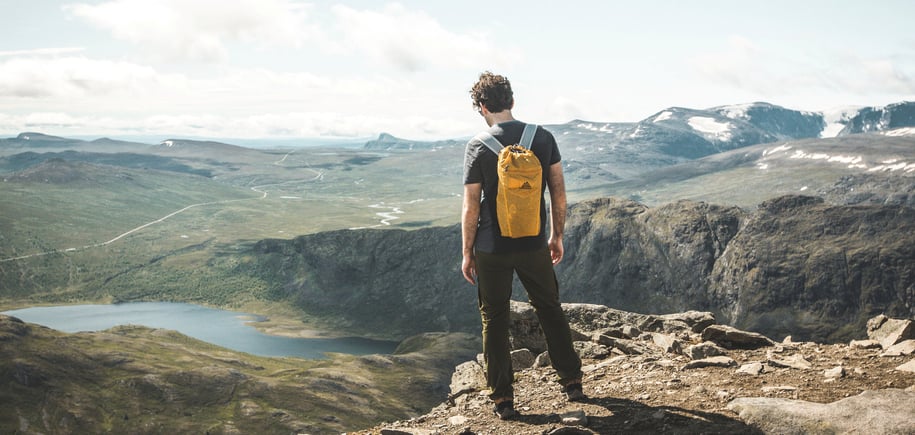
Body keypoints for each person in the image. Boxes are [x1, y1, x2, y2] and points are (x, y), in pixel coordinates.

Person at [461, 71, 584, 420]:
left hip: (491, 247)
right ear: (512, 101)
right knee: (549, 307)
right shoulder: (542, 138)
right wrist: (556, 235)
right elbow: (557, 191)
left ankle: (502, 400)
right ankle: (572, 381)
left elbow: (471, 206)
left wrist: (467, 251)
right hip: (533, 243)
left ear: (481, 107)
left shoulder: (477, 146)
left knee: (495, 319)